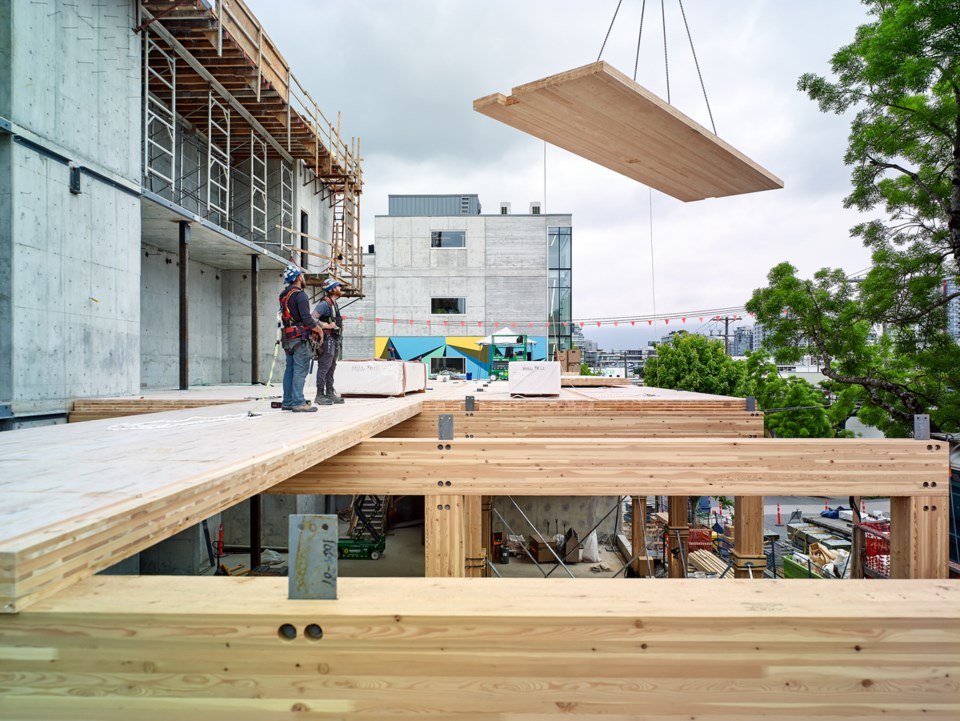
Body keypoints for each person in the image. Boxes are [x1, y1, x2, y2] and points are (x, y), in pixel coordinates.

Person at [279, 265, 322, 412]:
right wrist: (319, 330)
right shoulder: (300, 295)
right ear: (298, 277)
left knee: (290, 369)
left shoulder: (284, 295)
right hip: (299, 338)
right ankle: (298, 402)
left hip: (288, 337)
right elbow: (307, 319)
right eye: (302, 276)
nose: (303, 278)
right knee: (300, 370)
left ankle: (288, 401)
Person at [313, 277, 344, 405]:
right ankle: (319, 395)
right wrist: (326, 325)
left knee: (331, 367)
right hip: (327, 340)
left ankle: (329, 393)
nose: (340, 288)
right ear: (332, 289)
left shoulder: (333, 303)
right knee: (324, 367)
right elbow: (312, 318)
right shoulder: (324, 304)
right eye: (338, 286)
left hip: (334, 339)